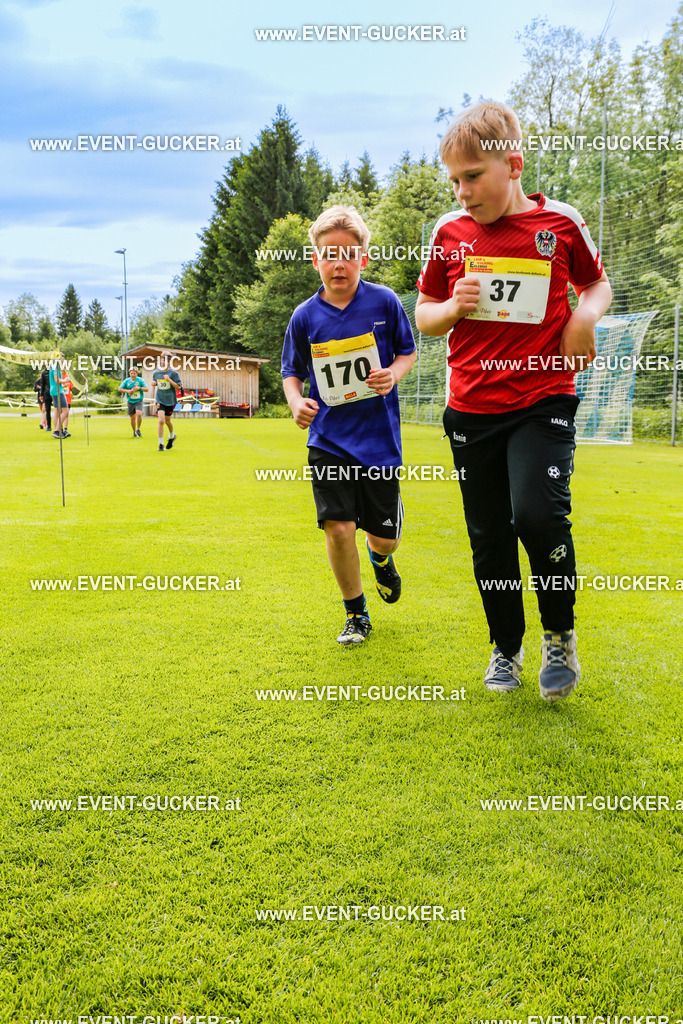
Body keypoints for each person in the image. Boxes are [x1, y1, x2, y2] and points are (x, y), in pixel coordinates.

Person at [415, 101, 612, 702]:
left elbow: (597, 283)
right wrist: (452, 307)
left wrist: (583, 316)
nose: (463, 191)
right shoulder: (449, 235)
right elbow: (424, 315)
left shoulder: (560, 225)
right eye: (454, 180)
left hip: (543, 399)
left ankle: (560, 637)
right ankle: (506, 648)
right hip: (472, 409)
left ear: (513, 164)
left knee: (539, 516)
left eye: (473, 175)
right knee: (490, 536)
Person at [282, 205, 417, 645]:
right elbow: (291, 372)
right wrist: (296, 402)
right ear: (316, 259)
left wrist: (391, 375)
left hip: (378, 442)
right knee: (338, 528)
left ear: (363, 256)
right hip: (328, 440)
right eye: (329, 254)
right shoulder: (304, 316)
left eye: (349, 253)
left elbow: (407, 352)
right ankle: (356, 613)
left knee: (383, 539)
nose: (339, 262)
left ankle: (382, 561)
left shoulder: (385, 302)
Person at [151, 353, 181, 451]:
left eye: (167, 360)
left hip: (170, 400)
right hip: (160, 399)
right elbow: (156, 383)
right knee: (161, 420)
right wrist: (154, 384)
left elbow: (178, 387)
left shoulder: (173, 373)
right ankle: (161, 444)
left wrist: (169, 379)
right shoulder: (156, 373)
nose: (164, 362)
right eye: (163, 360)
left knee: (168, 421)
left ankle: (172, 436)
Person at [118, 365, 148, 437]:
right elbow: (119, 389)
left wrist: (139, 388)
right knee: (132, 418)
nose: (133, 375)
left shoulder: (140, 380)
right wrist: (128, 391)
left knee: (139, 413)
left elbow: (146, 389)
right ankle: (134, 432)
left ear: (137, 374)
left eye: (134, 373)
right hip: (130, 401)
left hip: (139, 400)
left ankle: (138, 429)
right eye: (132, 373)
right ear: (129, 374)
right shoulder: (126, 381)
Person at [48, 358, 71, 439]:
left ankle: (58, 430)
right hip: (57, 391)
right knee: (65, 410)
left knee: (57, 410)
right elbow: (56, 380)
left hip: (55, 390)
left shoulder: (52, 366)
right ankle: (57, 430)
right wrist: (65, 380)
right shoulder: (55, 367)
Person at [39, 366, 52, 432]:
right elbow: (43, 384)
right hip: (47, 393)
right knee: (47, 410)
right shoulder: (44, 372)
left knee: (58, 409)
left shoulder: (54, 370)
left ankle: (58, 426)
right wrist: (41, 394)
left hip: (54, 391)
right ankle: (49, 426)